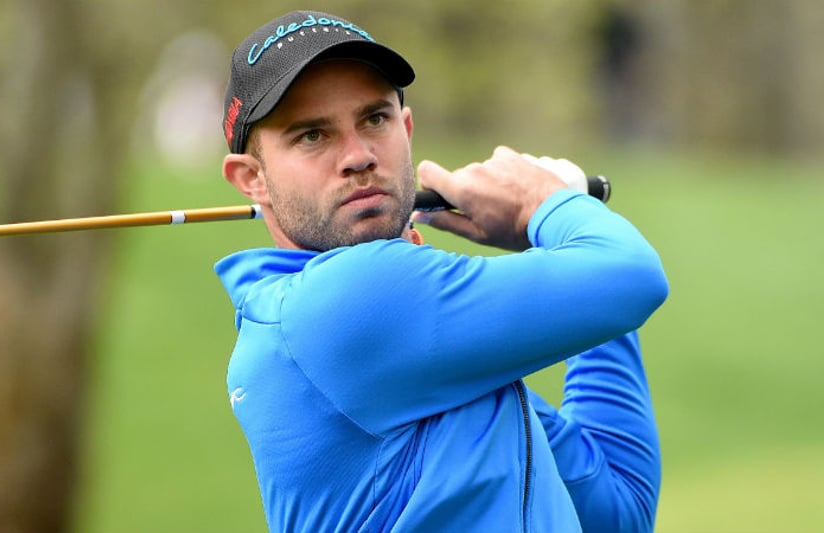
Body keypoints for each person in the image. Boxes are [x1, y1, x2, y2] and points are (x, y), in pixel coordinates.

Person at [215, 10, 669, 533]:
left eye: (375, 119)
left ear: (406, 129)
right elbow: (632, 274)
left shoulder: (431, 362)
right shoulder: (347, 301)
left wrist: (555, 236)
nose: (358, 156)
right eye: (312, 135)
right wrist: (548, 204)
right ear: (251, 178)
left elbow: (619, 511)